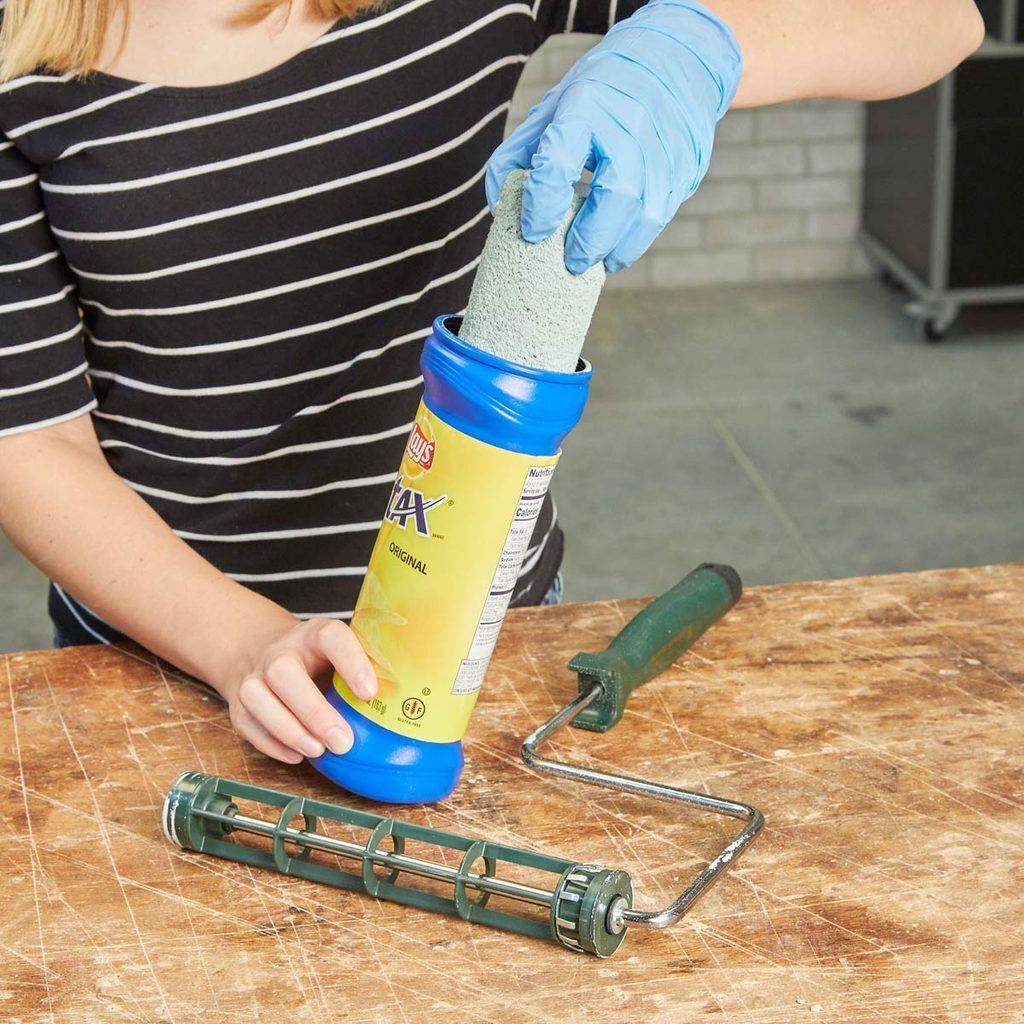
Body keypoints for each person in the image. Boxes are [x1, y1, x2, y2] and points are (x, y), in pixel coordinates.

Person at [0, 0, 982, 766]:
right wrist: (238, 643)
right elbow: (29, 438)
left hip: (480, 632)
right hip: (164, 660)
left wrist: (700, 40)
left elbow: (937, 18)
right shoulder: (18, 51)